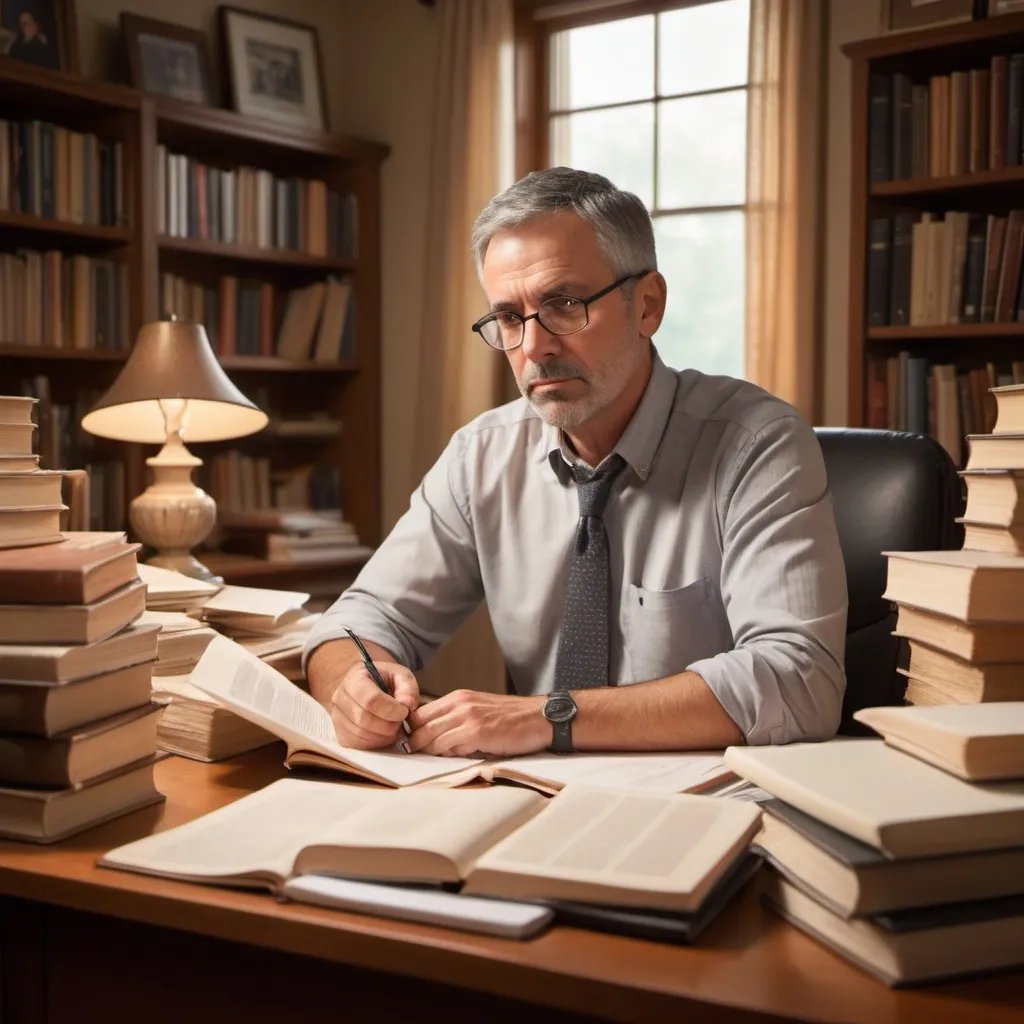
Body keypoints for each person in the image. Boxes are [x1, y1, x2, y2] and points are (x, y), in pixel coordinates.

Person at [303, 167, 848, 757]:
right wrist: (352, 686)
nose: (534, 347)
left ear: (647, 305)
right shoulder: (480, 457)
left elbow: (800, 681)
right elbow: (359, 621)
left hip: (707, 809)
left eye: (564, 304)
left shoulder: (757, 444)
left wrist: (549, 718)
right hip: (535, 801)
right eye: (509, 318)